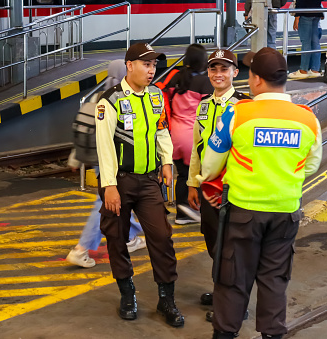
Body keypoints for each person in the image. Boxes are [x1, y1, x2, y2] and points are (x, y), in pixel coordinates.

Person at [197, 47, 322, 339]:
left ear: (255, 80)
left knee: (233, 279)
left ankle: (225, 334)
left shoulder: (237, 114)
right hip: (285, 213)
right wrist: (279, 174)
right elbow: (312, 164)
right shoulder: (307, 118)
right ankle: (272, 334)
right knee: (274, 280)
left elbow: (211, 164)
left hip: (243, 213)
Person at [95, 42, 184, 327]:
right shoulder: (109, 101)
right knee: (117, 238)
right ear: (129, 65)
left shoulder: (156, 96)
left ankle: (166, 298)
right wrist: (109, 185)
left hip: (148, 181)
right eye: (146, 64)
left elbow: (162, 130)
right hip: (118, 181)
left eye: (154, 65)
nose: (151, 70)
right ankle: (127, 293)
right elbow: (104, 146)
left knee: (161, 237)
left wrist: (167, 161)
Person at [186, 49, 250, 316]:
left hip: (233, 189)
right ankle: (223, 291)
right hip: (208, 188)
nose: (218, 74)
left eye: (224, 69)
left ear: (235, 73)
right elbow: (196, 147)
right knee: (213, 242)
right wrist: (192, 182)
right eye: (214, 69)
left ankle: (236, 304)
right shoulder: (203, 105)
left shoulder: (245, 106)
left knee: (232, 248)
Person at [67, 59, 147, 268]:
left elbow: (87, 128)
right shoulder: (119, 97)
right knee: (104, 203)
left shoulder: (97, 95)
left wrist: (75, 156)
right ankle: (81, 249)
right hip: (111, 160)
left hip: (96, 158)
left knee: (117, 199)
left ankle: (129, 239)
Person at [161, 44, 213, 224]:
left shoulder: (175, 76)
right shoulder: (204, 82)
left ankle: (182, 213)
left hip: (173, 134)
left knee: (182, 175)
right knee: (199, 175)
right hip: (193, 134)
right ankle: (193, 210)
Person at [288, 0, 323, 79]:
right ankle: (315, 70)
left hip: (305, 14)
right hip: (316, 13)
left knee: (306, 42)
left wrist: (297, 17)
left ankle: (303, 70)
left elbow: (301, 2)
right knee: (315, 42)